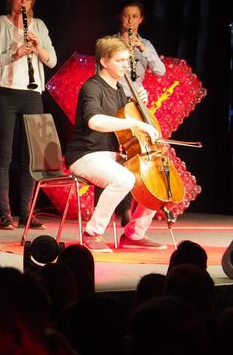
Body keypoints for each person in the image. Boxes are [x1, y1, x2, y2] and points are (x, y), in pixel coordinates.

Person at [65, 35, 165, 253]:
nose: (125, 65)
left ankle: (134, 233)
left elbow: (124, 124)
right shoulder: (92, 87)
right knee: (124, 178)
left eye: (126, 61)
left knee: (157, 179)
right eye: (119, 60)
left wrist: (139, 105)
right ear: (104, 62)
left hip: (110, 155)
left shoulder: (120, 90)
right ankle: (92, 232)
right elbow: (94, 121)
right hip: (85, 155)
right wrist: (134, 123)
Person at [0, 0, 57, 230]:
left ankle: (26, 213)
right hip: (4, 94)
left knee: (31, 157)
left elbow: (52, 61)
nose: (23, 2)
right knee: (3, 155)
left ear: (33, 0)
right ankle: (4, 214)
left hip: (32, 94)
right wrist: (13, 55)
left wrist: (37, 47)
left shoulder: (39, 26)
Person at [112, 0, 166, 226]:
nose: (130, 21)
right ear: (120, 18)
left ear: (141, 19)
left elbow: (160, 71)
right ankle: (121, 208)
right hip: (117, 102)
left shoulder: (145, 44)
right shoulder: (112, 43)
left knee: (140, 154)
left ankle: (141, 202)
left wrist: (144, 50)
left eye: (134, 17)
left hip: (138, 105)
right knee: (120, 156)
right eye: (126, 16)